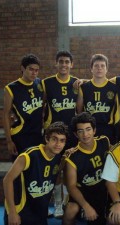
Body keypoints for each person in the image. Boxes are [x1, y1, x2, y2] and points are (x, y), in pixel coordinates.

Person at [3, 121, 69, 225]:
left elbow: (55, 172)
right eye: (54, 139)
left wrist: (65, 159)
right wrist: (12, 212)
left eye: (62, 141)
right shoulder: (29, 156)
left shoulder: (58, 158)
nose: (58, 144)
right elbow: (7, 180)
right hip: (20, 211)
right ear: (47, 139)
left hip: (40, 213)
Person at [42, 50, 78, 217]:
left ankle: (65, 203)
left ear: (72, 64)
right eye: (61, 61)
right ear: (56, 63)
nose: (64, 64)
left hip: (71, 135)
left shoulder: (77, 83)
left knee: (69, 171)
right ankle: (56, 205)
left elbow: (80, 108)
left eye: (67, 62)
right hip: (53, 136)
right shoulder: (46, 83)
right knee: (54, 171)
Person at [62, 112, 110, 225]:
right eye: (80, 131)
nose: (85, 134)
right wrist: (86, 206)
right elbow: (71, 187)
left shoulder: (104, 142)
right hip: (82, 192)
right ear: (75, 134)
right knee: (71, 210)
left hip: (102, 190)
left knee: (114, 218)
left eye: (88, 129)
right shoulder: (72, 156)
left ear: (94, 130)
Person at [3, 54, 44, 159]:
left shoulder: (39, 83)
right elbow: (6, 114)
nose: (34, 73)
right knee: (20, 172)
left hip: (37, 135)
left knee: (35, 171)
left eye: (36, 70)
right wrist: (9, 141)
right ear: (22, 68)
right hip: (21, 136)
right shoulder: (11, 88)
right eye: (31, 69)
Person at [76, 54, 117, 143]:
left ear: (106, 69)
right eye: (96, 66)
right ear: (91, 69)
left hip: (108, 129)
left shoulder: (114, 87)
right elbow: (79, 112)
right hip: (89, 130)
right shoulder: (84, 87)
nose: (99, 68)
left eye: (102, 66)